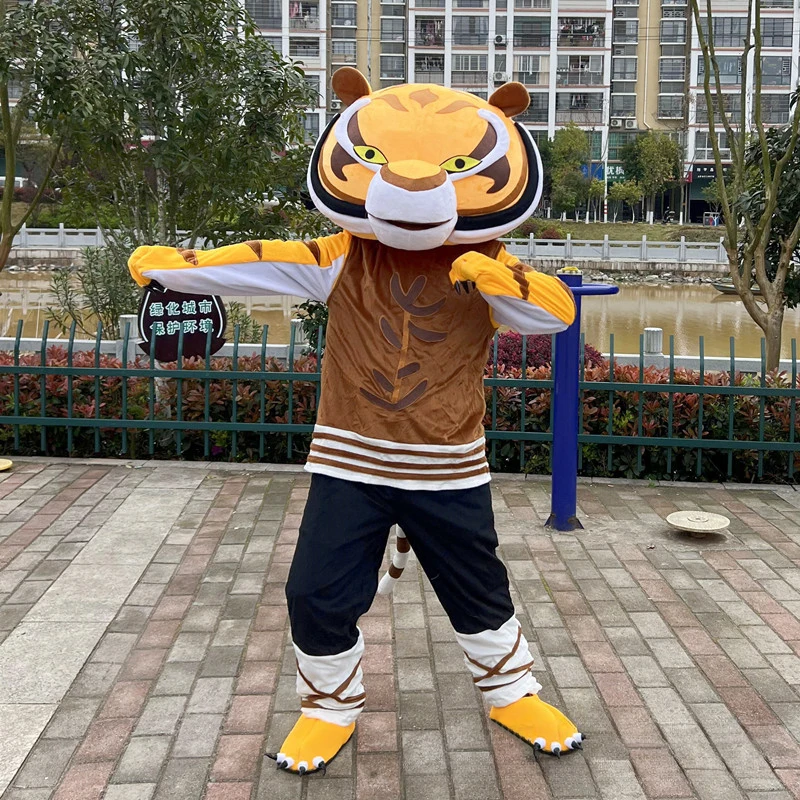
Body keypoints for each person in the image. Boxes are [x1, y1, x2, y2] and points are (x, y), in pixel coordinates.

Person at [128, 67, 583, 776]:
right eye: (377, 158)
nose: (412, 180)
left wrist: (499, 276)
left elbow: (553, 312)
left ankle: (511, 694)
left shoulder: (489, 259)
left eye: (453, 166)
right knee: (315, 591)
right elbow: (264, 264)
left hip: (446, 466)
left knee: (478, 590)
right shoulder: (346, 256)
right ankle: (329, 706)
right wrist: (179, 269)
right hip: (350, 461)